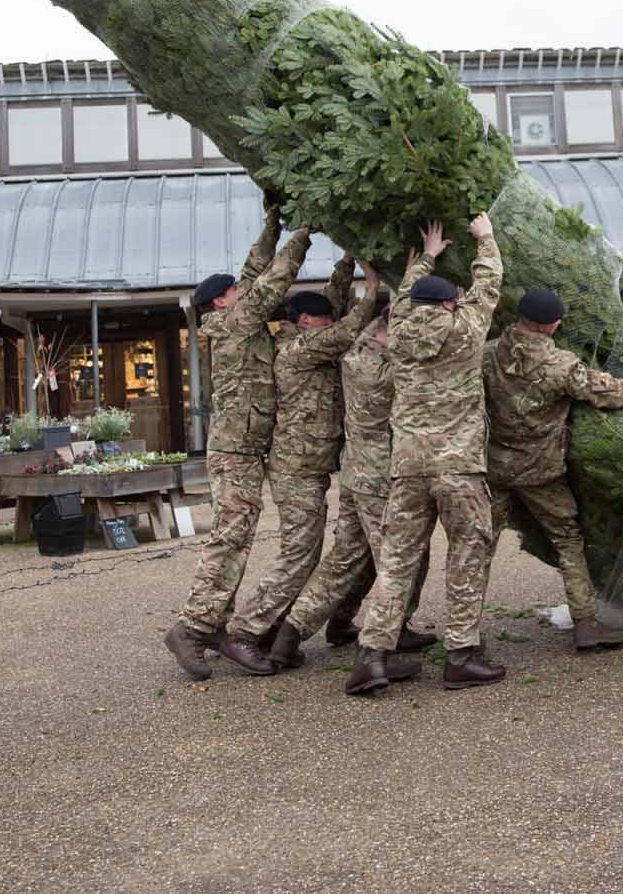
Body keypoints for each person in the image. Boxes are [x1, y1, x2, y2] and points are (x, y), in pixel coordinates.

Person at [346, 213, 504, 695]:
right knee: (468, 554)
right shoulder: (466, 330)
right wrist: (486, 237)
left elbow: (408, 296)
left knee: (396, 562)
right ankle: (461, 655)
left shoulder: (400, 331)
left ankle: (372, 656)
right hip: (458, 467)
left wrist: (427, 257)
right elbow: (490, 283)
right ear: (452, 304)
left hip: (408, 467)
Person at [164, 199, 311, 678]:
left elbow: (254, 268)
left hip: (246, 448)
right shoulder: (235, 321)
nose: (243, 287)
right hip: (235, 452)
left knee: (238, 537)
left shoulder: (233, 315)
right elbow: (271, 280)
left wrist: (272, 222)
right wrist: (303, 230)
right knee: (229, 537)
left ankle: (213, 624)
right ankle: (192, 626)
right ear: (221, 301)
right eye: (235, 289)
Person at [218, 256, 381, 674]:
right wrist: (373, 287)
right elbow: (347, 329)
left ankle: (273, 629)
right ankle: (245, 632)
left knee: (307, 556)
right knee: (297, 555)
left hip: (309, 465)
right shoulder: (297, 349)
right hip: (297, 470)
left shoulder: (303, 338)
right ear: (308, 321)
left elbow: (333, 301)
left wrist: (347, 263)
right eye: (325, 318)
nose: (331, 322)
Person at [269, 293, 437, 668]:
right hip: (379, 479)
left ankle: (290, 634)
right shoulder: (386, 371)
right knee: (401, 561)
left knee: (344, 559)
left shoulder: (355, 353)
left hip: (355, 475)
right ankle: (384, 645)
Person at [482, 286, 623, 651]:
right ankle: (586, 624)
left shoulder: (488, 353)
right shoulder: (560, 365)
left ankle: (463, 637)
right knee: (569, 541)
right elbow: (607, 393)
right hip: (541, 472)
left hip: (494, 469)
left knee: (478, 549)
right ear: (552, 326)